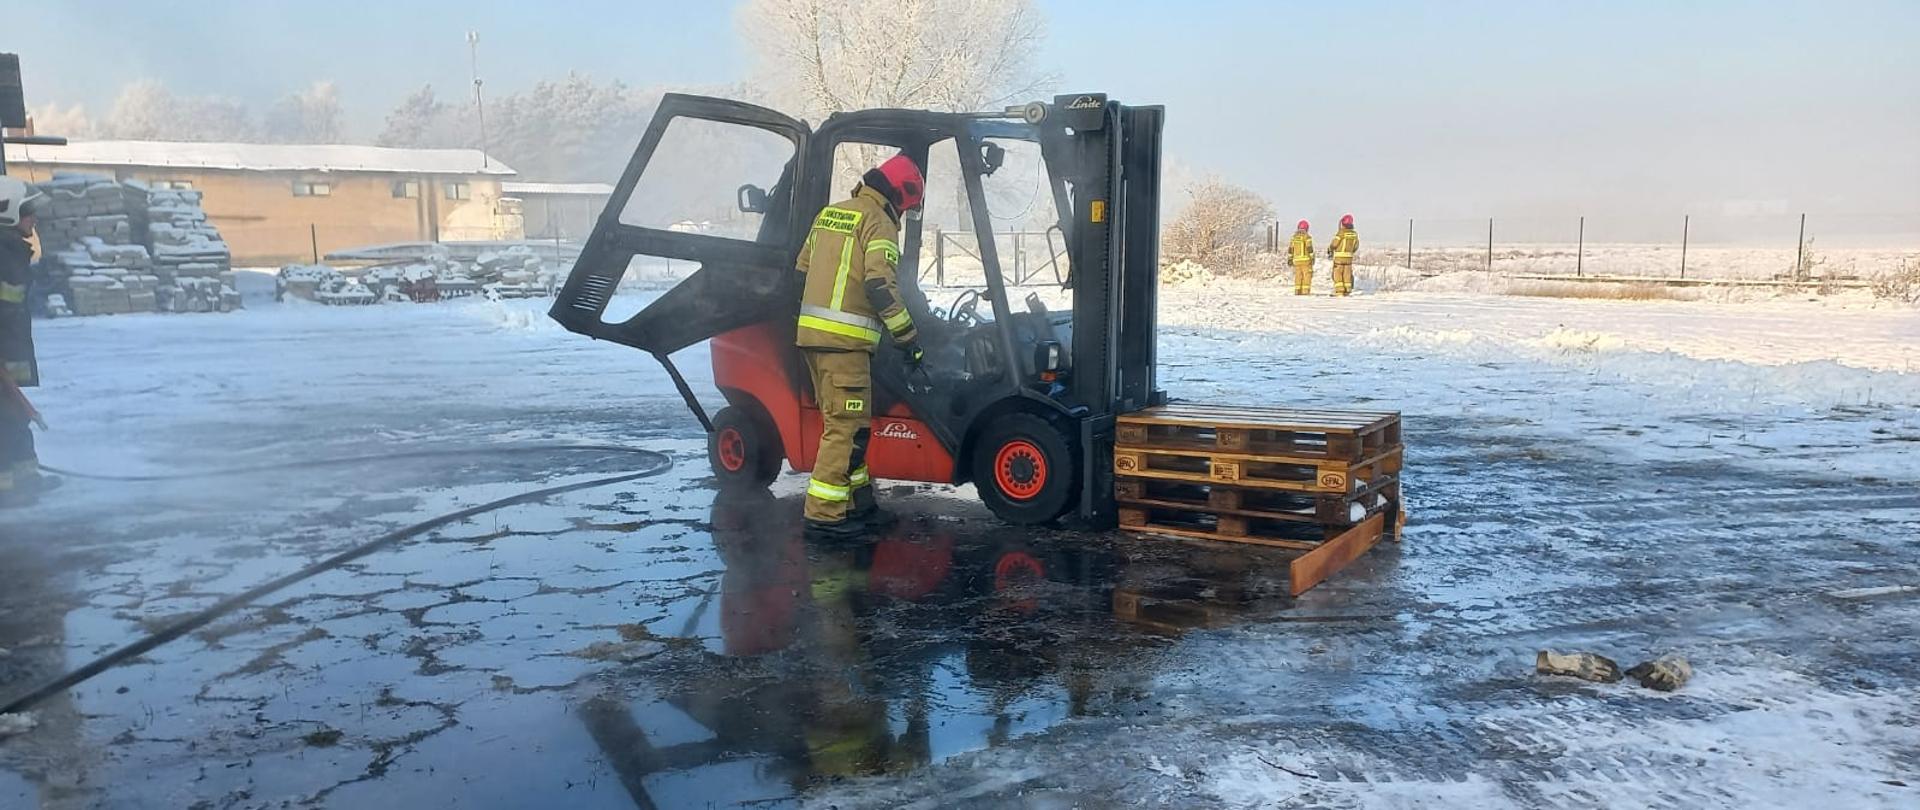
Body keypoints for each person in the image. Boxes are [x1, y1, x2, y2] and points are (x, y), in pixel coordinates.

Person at [794, 154, 926, 539]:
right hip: (845, 345)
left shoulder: (830, 214)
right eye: (907, 206)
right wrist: (909, 339)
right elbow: (879, 287)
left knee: (850, 428)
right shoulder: (879, 223)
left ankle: (858, 504)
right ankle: (824, 514)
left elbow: (802, 270)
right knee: (844, 429)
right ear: (900, 196)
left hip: (815, 341)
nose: (904, 212)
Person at [1, 177, 49, 507]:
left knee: (13, 416)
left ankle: (26, 480)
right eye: (27, 210)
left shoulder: (12, 251)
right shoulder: (3, 254)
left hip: (9, 356)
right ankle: (7, 491)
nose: (33, 217)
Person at [1327, 213, 1359, 296]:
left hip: (1339, 258)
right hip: (1349, 258)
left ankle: (1339, 290)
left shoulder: (1341, 233)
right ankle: (1347, 290)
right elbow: (1356, 246)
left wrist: (1330, 250)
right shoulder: (1354, 234)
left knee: (1337, 273)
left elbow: (1334, 244)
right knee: (1347, 274)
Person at [1287, 220, 1314, 295]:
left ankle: (1297, 291)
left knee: (1298, 276)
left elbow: (1290, 249)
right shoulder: (1307, 237)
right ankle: (1305, 291)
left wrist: (1290, 258)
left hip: (1296, 261)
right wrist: (1312, 257)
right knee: (1307, 276)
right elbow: (1309, 247)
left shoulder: (1294, 238)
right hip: (1306, 260)